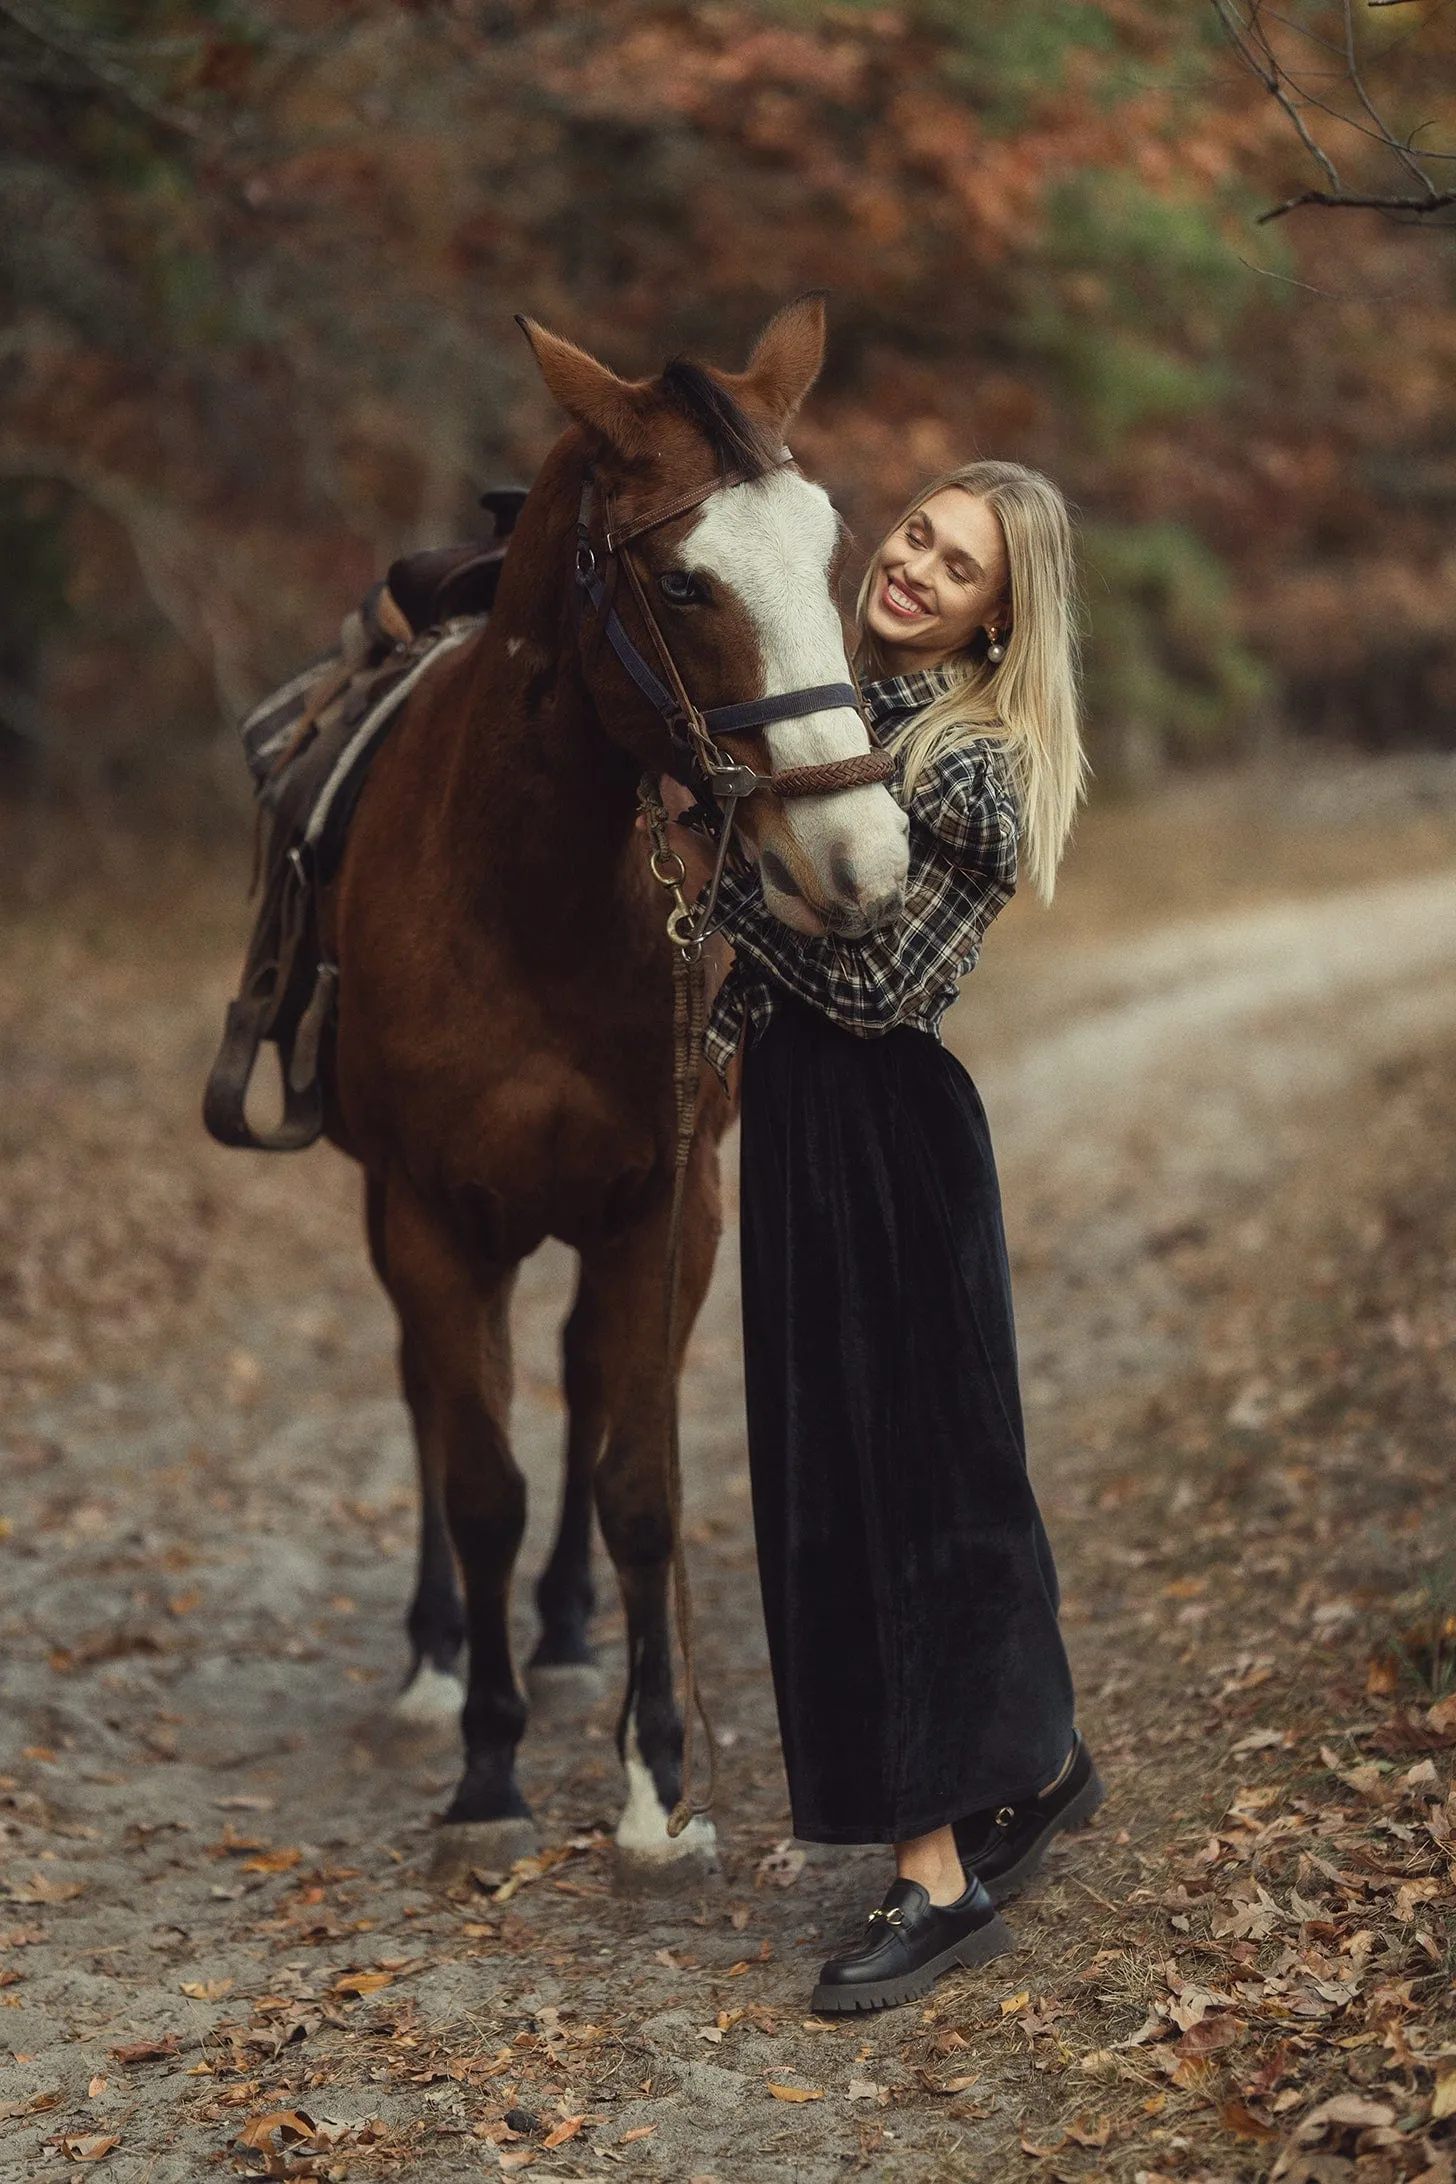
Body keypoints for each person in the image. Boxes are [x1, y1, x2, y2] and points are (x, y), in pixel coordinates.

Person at [664, 460, 1103, 2014]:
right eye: (916, 532)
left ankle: (935, 1878)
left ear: (999, 619)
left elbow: (871, 991)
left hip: (890, 1146)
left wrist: (732, 883)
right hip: (800, 1138)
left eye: (961, 566)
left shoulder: (973, 769)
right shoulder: (830, 708)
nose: (916, 565)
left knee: (897, 1492)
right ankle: (1035, 1764)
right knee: (858, 1482)